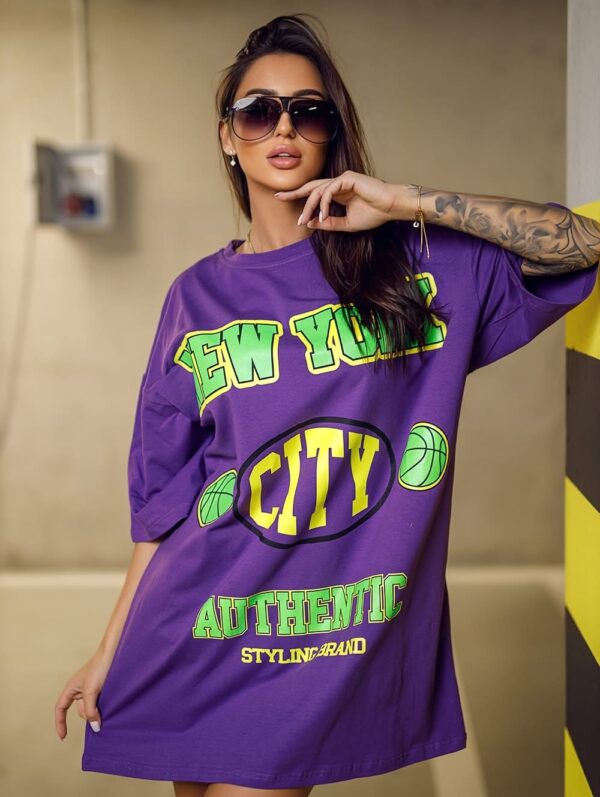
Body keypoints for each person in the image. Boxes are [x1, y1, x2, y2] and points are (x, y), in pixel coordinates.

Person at [54, 13, 600, 797]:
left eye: (308, 111)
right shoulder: (195, 297)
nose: (284, 127)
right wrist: (112, 648)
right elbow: (164, 502)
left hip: (317, 648)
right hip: (200, 628)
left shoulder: (412, 269)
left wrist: (407, 201)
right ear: (227, 136)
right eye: (258, 111)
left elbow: (582, 242)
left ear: (332, 132)